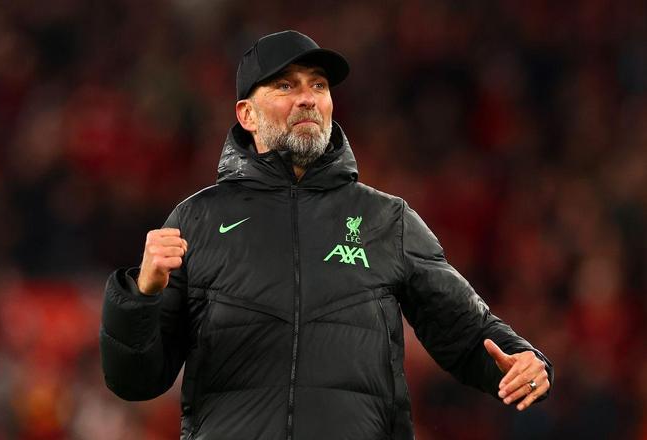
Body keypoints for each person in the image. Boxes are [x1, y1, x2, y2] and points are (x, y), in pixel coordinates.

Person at [100, 30, 553, 440]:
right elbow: (133, 381)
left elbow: (467, 332)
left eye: (318, 85)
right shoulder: (196, 221)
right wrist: (141, 295)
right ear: (247, 115)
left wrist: (522, 360)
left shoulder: (385, 220)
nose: (307, 99)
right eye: (285, 86)